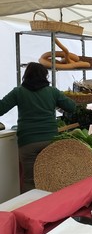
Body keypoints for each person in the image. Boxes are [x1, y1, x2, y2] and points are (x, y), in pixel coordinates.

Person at [0, 62, 76, 193]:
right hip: (50, 140)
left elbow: (1, 108)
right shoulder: (52, 91)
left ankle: (29, 211)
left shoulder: (18, 92)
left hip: (28, 142)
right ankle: (52, 209)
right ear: (45, 76)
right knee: (52, 177)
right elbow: (72, 107)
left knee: (30, 180)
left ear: (26, 75)